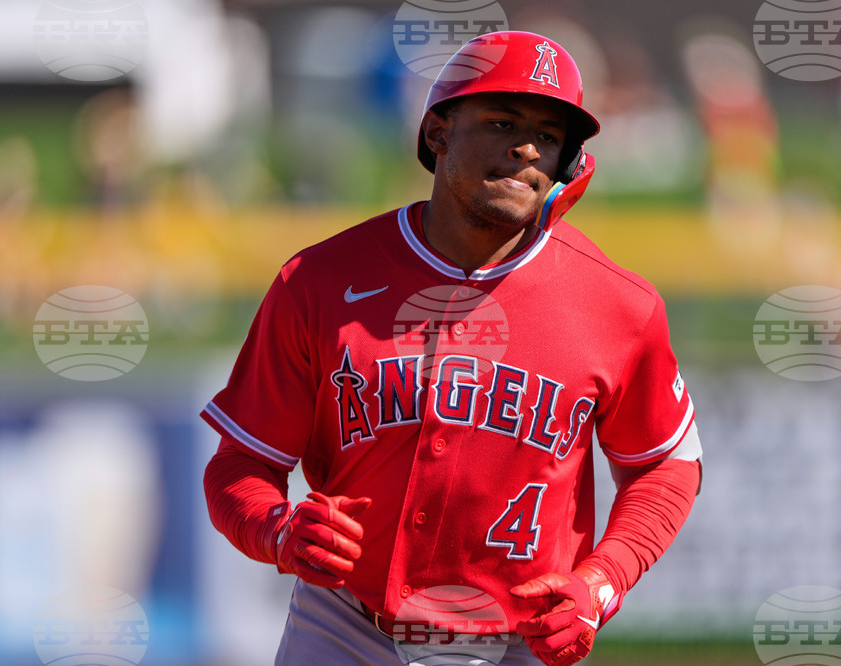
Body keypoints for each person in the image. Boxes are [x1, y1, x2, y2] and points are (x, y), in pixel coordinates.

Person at [202, 30, 702, 666]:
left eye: (549, 137)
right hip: (345, 628)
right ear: (437, 132)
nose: (525, 147)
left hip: (520, 642)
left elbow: (664, 466)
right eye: (501, 121)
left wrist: (602, 582)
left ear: (568, 165)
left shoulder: (620, 306)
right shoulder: (318, 281)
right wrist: (276, 530)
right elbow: (241, 464)